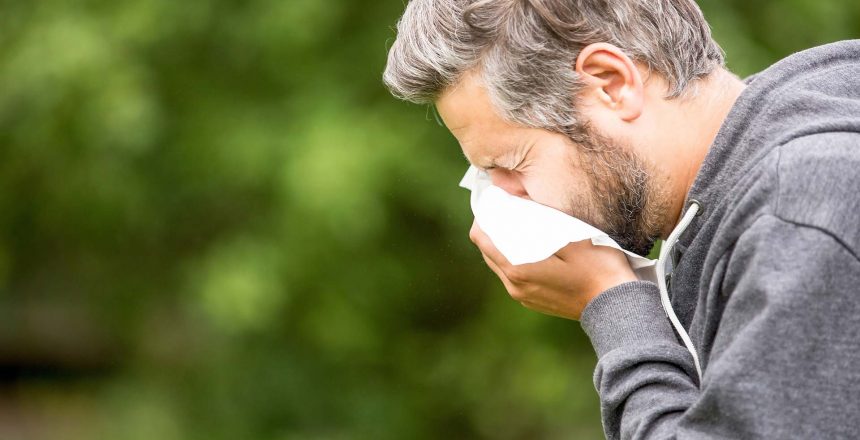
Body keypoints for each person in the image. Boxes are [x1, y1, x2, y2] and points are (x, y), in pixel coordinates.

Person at [383, 0, 860, 438]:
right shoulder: (760, 181)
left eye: (511, 164)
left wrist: (612, 304)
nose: (506, 199)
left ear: (611, 83)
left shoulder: (800, 212)